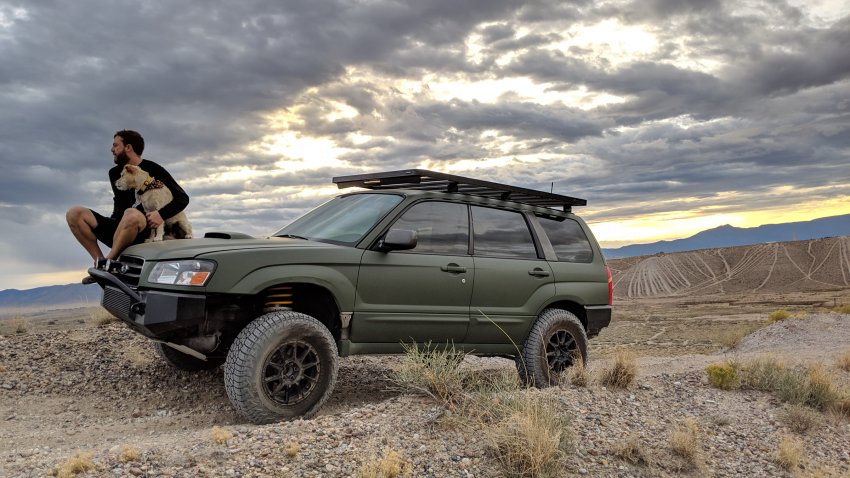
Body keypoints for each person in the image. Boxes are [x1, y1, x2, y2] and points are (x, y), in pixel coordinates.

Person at [66, 130, 189, 280]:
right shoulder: (114, 173)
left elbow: (182, 198)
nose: (112, 150)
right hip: (119, 227)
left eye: (116, 145)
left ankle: (108, 264)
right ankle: (100, 264)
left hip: (141, 229)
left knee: (131, 213)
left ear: (128, 148)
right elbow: (119, 203)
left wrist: (160, 215)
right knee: (75, 213)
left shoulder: (154, 169)